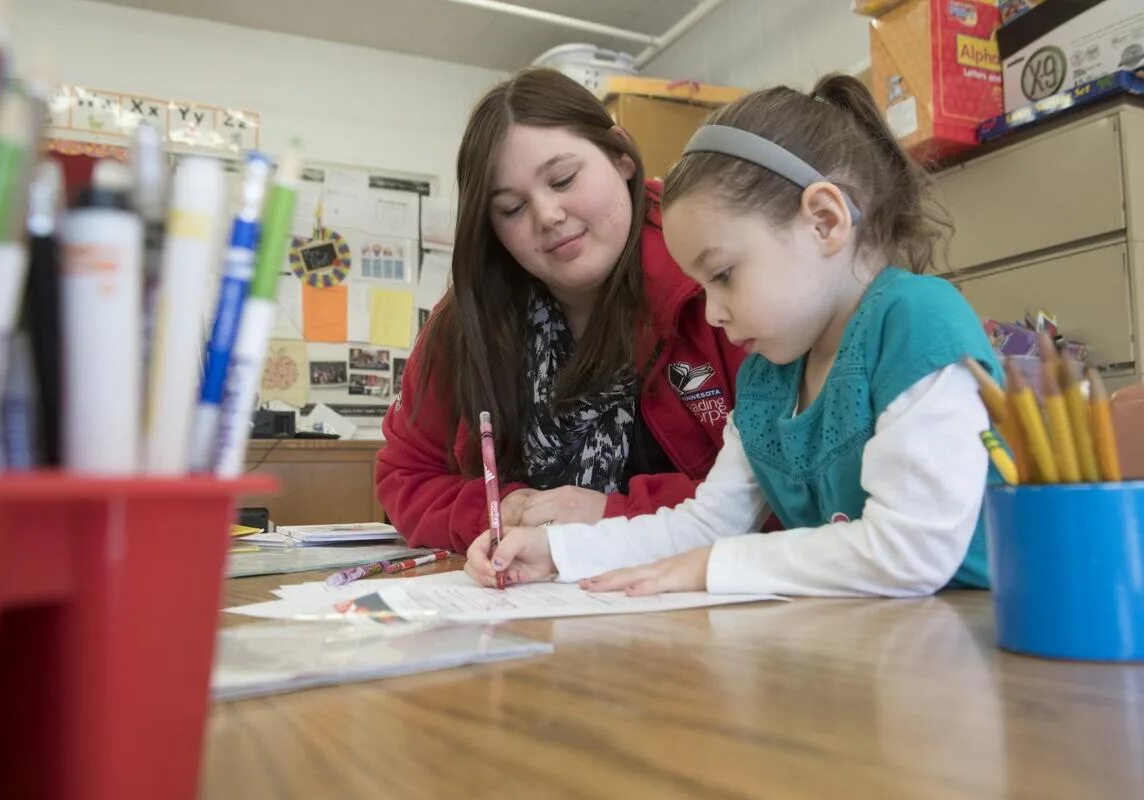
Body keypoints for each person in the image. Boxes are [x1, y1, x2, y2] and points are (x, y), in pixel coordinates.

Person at [466, 74, 1001, 598]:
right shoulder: (770, 376)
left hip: (989, 644)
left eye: (722, 276)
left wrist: (712, 567)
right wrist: (558, 550)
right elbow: (708, 525)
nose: (713, 313)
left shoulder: (917, 322)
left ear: (823, 221)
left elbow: (910, 551)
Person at [377, 69, 748, 552]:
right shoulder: (470, 318)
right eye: (511, 208)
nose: (547, 216)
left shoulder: (713, 276)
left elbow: (781, 491)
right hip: (530, 603)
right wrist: (499, 510)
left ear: (621, 155)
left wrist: (611, 515)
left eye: (564, 179)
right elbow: (406, 476)